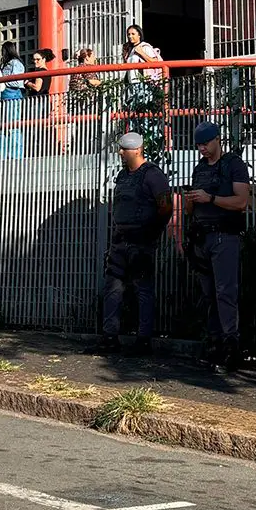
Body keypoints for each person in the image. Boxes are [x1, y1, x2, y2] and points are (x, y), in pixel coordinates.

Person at [89, 132, 171, 355]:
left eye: (125, 149)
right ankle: (110, 337)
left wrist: (152, 232)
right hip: (121, 242)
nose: (121, 153)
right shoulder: (123, 175)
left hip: (141, 242)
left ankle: (143, 340)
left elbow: (166, 206)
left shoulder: (152, 175)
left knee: (143, 289)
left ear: (137, 150)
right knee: (112, 288)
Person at [184, 122, 251, 371]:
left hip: (225, 235)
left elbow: (241, 201)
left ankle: (231, 346)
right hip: (202, 237)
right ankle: (214, 344)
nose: (202, 148)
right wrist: (190, 200)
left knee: (225, 292)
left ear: (217, 140)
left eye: (206, 143)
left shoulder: (233, 164)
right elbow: (191, 209)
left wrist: (210, 198)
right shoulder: (199, 168)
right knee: (209, 293)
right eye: (199, 145)